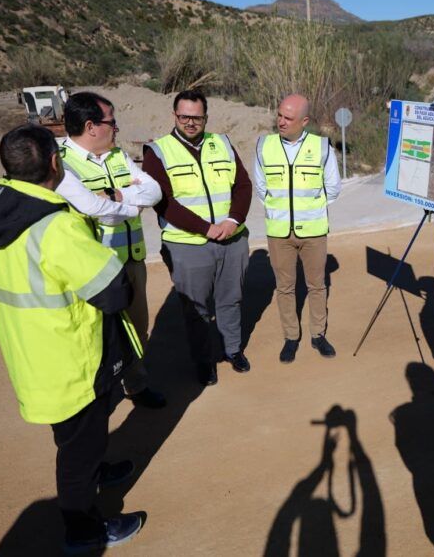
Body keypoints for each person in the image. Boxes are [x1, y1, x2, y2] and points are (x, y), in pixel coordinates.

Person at [0, 125, 145, 551]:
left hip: (30, 354)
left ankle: (98, 469)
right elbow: (114, 290)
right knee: (78, 452)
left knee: (74, 437)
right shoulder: (54, 227)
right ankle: (83, 530)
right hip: (74, 359)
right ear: (55, 163)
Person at [59, 91, 166, 409]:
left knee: (137, 328)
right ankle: (97, 398)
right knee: (96, 339)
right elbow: (97, 211)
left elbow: (154, 190)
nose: (117, 128)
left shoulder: (118, 156)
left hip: (132, 262)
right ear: (91, 126)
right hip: (95, 270)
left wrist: (115, 197)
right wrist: (130, 203)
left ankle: (135, 384)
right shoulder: (63, 164)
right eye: (112, 122)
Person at [143, 89, 253, 386]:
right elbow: (162, 201)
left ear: (206, 116)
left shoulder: (223, 143)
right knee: (197, 309)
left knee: (232, 300)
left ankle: (233, 350)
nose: (191, 123)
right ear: (174, 116)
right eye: (184, 117)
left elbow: (242, 185)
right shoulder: (158, 152)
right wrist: (205, 228)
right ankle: (204, 361)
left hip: (232, 239)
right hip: (188, 245)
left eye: (197, 117)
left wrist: (232, 221)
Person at [254, 93, 341, 363]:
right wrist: (280, 212)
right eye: (279, 115)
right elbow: (261, 187)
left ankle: (318, 335)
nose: (281, 121)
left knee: (316, 285)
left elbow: (334, 188)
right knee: (285, 287)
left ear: (304, 121)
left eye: (288, 118)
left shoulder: (322, 147)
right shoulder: (263, 146)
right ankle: (291, 337)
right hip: (279, 232)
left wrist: (310, 209)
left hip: (314, 232)